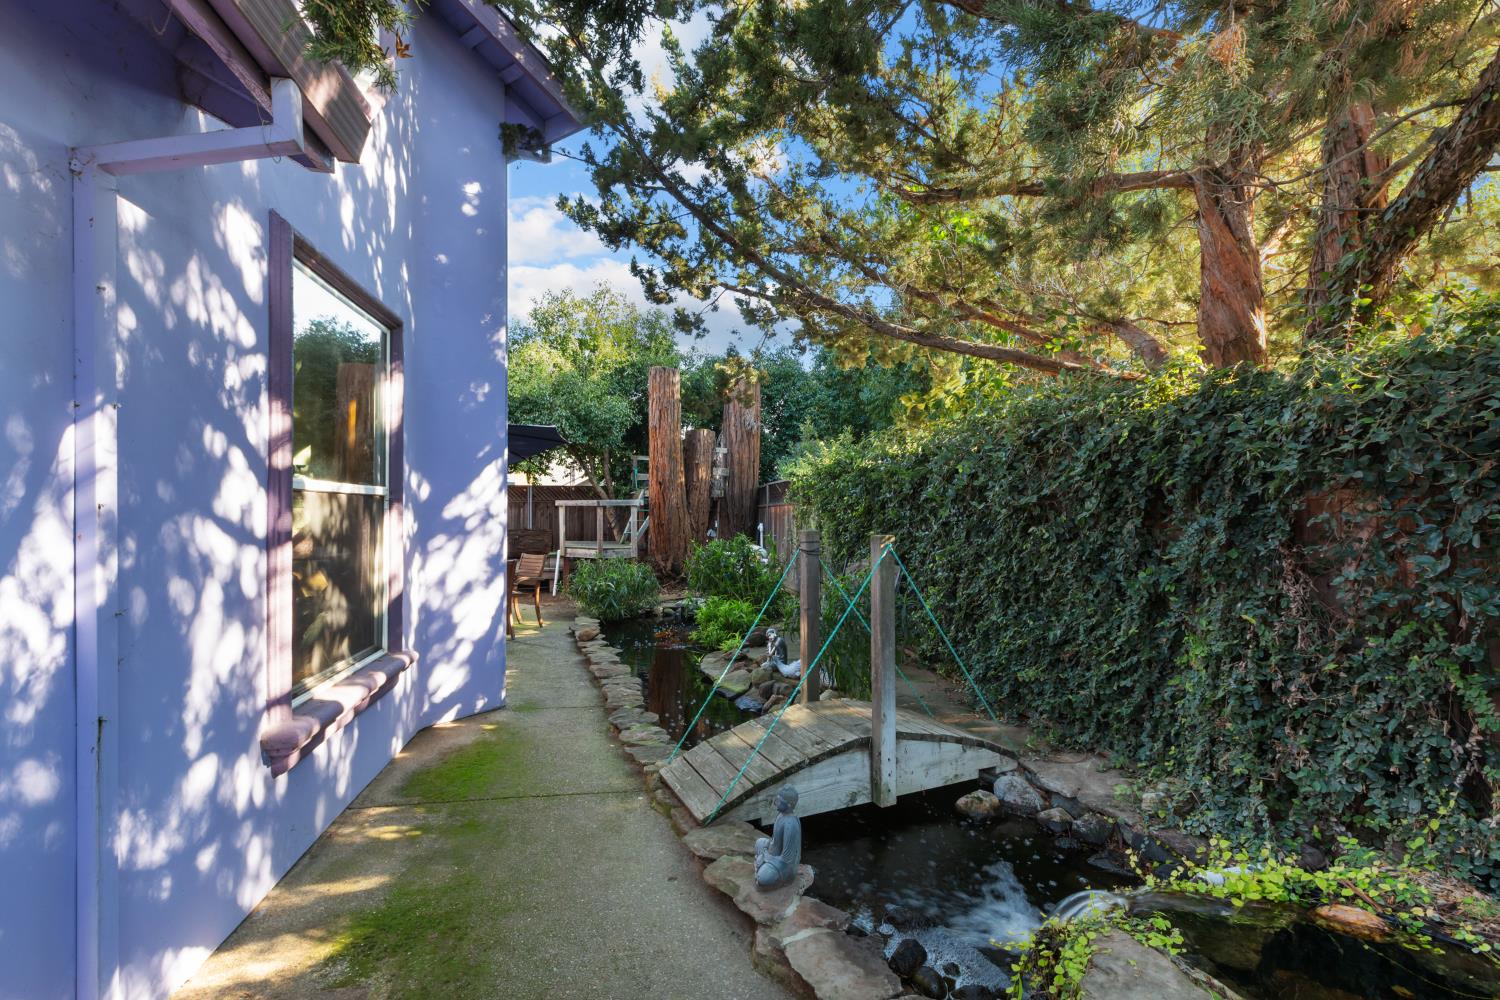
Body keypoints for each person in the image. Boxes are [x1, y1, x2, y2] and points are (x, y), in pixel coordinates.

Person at [754, 785, 802, 889]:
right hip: (774, 854)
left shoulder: (791, 824)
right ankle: (761, 866)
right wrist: (767, 850)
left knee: (763, 877)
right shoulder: (781, 816)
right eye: (776, 800)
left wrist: (765, 856)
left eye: (779, 801)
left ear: (789, 805)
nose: (775, 803)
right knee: (759, 842)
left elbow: (787, 859)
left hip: (784, 866)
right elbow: (775, 841)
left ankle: (763, 871)